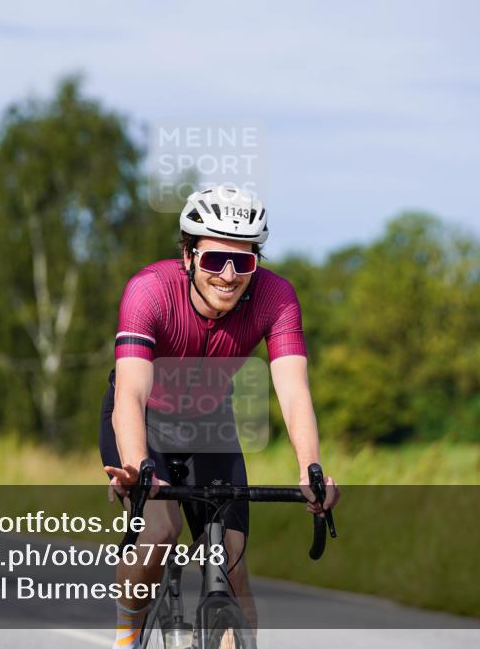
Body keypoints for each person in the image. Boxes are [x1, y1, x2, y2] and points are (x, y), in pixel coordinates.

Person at [100, 185, 339, 648]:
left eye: (244, 262)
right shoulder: (149, 291)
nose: (229, 275)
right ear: (189, 255)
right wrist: (137, 467)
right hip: (144, 423)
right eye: (214, 261)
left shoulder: (277, 298)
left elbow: (293, 391)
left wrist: (312, 468)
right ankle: (127, 636)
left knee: (233, 566)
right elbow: (131, 392)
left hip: (209, 426)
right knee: (160, 530)